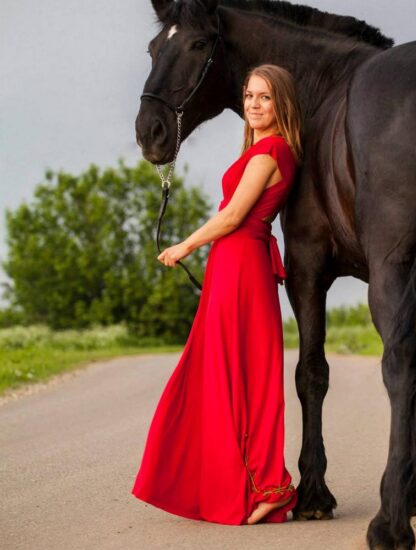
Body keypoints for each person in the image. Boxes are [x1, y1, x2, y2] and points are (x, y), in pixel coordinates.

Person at [131, 63, 303, 526]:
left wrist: (185, 244)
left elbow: (231, 219)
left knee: (244, 374)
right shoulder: (260, 149)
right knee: (219, 371)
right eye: (249, 95)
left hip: (243, 266)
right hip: (232, 267)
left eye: (264, 97)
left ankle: (269, 485)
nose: (253, 104)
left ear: (281, 103)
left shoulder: (271, 152)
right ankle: (242, 482)